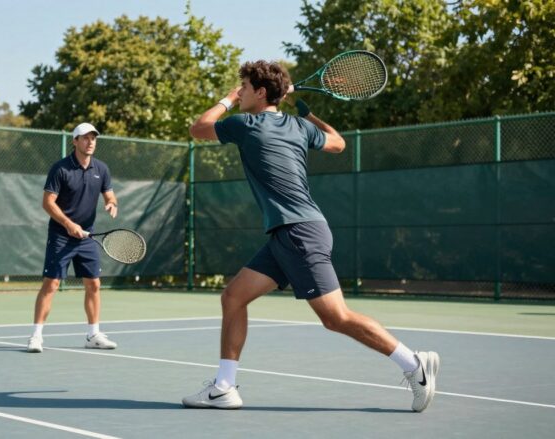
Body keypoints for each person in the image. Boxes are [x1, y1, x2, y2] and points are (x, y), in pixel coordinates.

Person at [182, 61, 439, 412]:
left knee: (336, 318)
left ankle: (414, 364)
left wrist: (227, 100)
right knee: (233, 297)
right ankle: (224, 387)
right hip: (292, 232)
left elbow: (199, 128)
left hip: (298, 233)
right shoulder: (299, 126)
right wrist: (307, 112)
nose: (239, 91)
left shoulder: (246, 124)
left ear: (260, 92)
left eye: (243, 86)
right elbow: (338, 143)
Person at [27, 122, 119, 353]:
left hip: (87, 237)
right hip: (61, 235)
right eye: (85, 138)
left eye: (93, 138)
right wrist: (68, 224)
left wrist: (111, 203)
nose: (90, 142)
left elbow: (109, 194)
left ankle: (93, 334)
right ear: (75, 141)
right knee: (52, 284)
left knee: (94, 284)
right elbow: (47, 203)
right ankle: (36, 336)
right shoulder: (61, 169)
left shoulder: (102, 168)